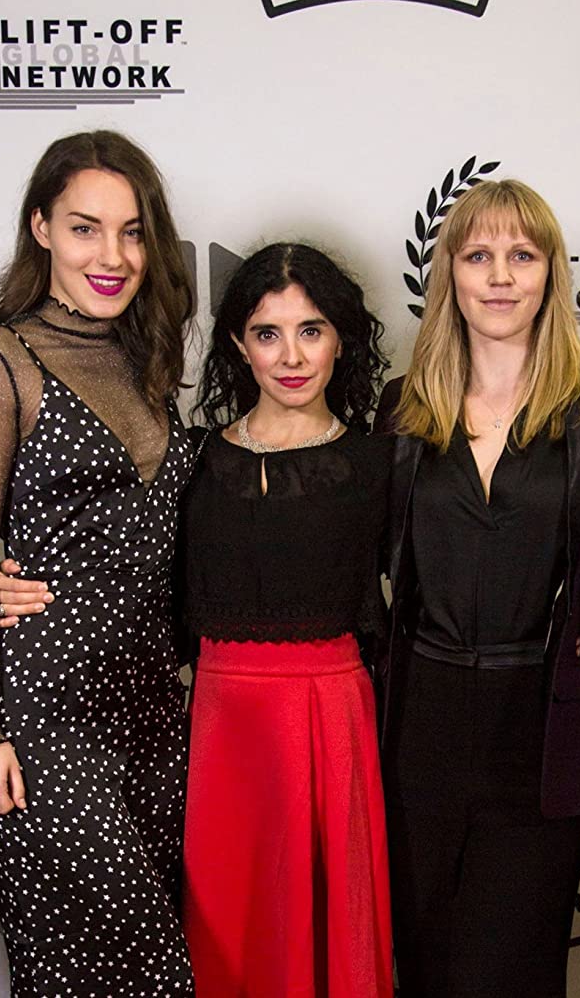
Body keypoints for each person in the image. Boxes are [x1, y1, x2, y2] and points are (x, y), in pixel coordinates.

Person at [378, 178, 580, 997]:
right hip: (416, 730)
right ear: (450, 275)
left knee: (513, 973)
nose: (500, 276)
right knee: (424, 968)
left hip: (542, 732)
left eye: (522, 256)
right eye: (479, 256)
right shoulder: (402, 410)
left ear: (551, 273)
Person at [0, 130, 196, 995]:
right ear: (41, 227)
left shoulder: (147, 360)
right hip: (47, 711)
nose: (111, 256)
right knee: (139, 967)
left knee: (111, 964)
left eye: (132, 232)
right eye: (86, 228)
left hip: (155, 709)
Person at [181, 242, 393, 997]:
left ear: (341, 339)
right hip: (221, 730)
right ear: (239, 345)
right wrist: (11, 581)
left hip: (331, 718)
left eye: (311, 330)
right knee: (228, 927)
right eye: (267, 333)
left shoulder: (381, 466)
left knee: (328, 931)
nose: (292, 357)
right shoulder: (190, 462)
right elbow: (125, 571)